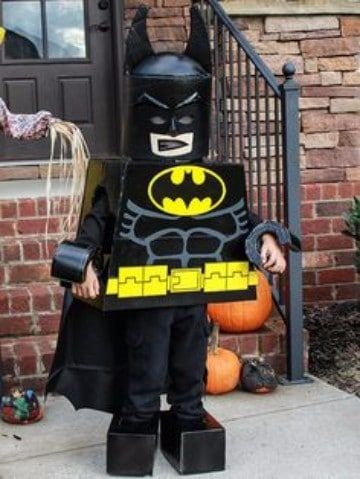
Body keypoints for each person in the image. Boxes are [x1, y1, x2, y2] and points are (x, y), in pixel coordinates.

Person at [48, 6, 286, 476]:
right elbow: (89, 231)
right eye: (158, 119)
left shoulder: (212, 181)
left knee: (187, 364)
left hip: (194, 298)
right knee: (145, 362)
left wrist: (268, 239)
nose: (173, 131)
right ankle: (137, 422)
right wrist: (82, 265)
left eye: (184, 118)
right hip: (146, 299)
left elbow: (240, 221)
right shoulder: (120, 182)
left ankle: (187, 417)